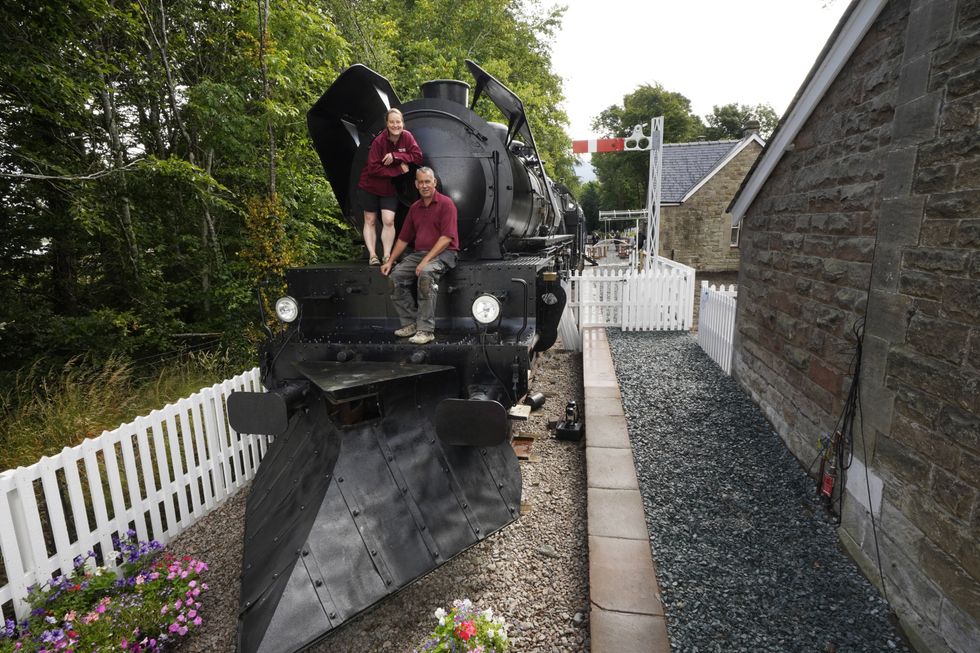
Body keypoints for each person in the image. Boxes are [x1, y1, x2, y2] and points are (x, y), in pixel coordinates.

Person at [380, 167, 459, 345]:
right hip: (421, 253)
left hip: (445, 253)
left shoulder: (447, 204)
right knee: (395, 277)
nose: (424, 185)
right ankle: (410, 323)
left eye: (427, 181)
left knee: (426, 275)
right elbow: (403, 238)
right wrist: (390, 261)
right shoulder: (415, 208)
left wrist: (425, 261)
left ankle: (426, 330)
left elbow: (446, 239)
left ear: (434, 183)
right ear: (416, 184)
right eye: (421, 182)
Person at [356, 107, 423, 265]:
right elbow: (373, 169)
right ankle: (373, 255)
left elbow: (418, 157)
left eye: (398, 122)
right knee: (370, 220)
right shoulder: (379, 141)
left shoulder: (407, 137)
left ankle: (387, 255)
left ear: (402, 123)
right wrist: (398, 169)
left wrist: (396, 156)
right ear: (387, 124)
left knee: (388, 220)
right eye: (392, 122)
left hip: (388, 188)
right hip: (370, 185)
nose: (395, 125)